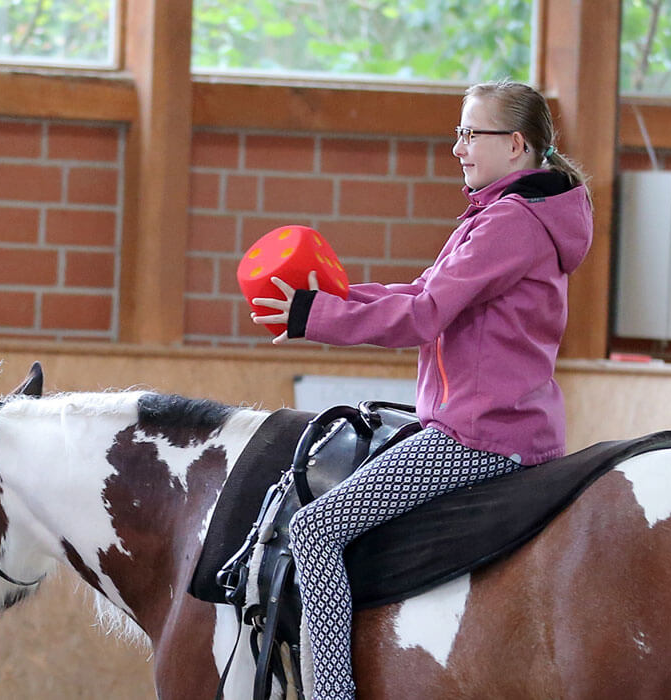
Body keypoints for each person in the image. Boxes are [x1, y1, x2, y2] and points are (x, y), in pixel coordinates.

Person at [248, 79, 593, 699]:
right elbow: (420, 290)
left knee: (314, 529)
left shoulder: (510, 223)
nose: (457, 148)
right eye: (457, 132)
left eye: (470, 133)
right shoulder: (506, 215)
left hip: (479, 435)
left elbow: (425, 313)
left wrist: (316, 319)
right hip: (496, 423)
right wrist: (327, 302)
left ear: (515, 144)